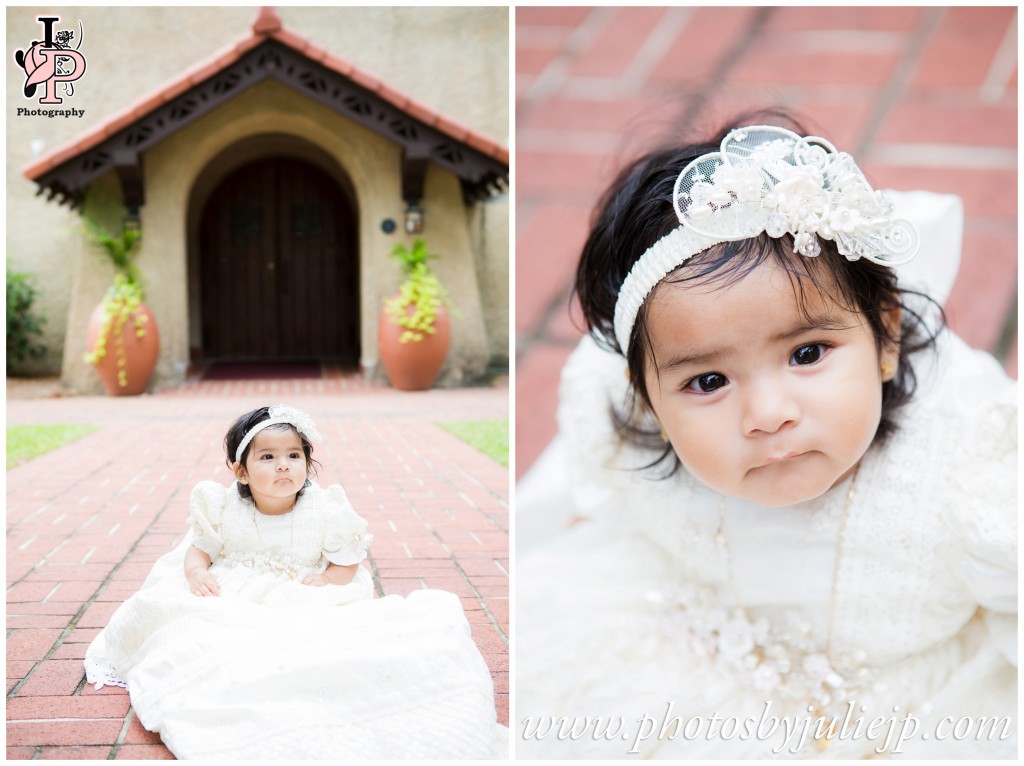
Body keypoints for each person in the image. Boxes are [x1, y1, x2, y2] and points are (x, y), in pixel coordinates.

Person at [515, 120, 1016, 758]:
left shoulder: (970, 464)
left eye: (807, 353)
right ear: (646, 398)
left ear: (885, 337)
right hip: (698, 672)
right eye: (709, 380)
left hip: (917, 713)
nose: (767, 414)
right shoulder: (632, 438)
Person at [85, 404, 506, 759]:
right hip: (238, 587)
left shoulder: (323, 508)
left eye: (294, 455)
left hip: (303, 588)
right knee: (200, 631)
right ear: (241, 472)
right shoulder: (222, 506)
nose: (283, 464)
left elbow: (348, 557)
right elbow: (202, 547)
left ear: (307, 464)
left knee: (321, 637)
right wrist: (197, 572)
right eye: (267, 457)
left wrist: (328, 580)